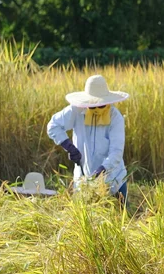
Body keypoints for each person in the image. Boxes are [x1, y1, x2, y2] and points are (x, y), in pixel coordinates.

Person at [47, 75, 130, 207]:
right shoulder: (75, 110)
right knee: (82, 222)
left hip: (114, 180)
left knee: (122, 220)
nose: (97, 108)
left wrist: (102, 170)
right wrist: (69, 146)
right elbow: (53, 126)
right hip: (84, 180)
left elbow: (116, 152)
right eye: (93, 105)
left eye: (101, 105)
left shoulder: (115, 117)